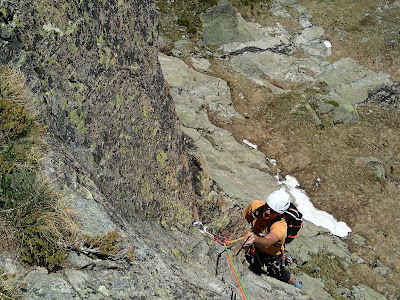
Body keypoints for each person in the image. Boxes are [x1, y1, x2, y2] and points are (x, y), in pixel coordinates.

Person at [243, 189, 302, 288]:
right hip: (255, 246)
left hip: (272, 254)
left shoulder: (281, 227)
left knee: (279, 273)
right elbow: (241, 220)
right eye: (267, 207)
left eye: (273, 211)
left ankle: (295, 283)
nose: (267, 212)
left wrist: (254, 239)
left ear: (279, 214)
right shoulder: (255, 206)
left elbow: (268, 242)